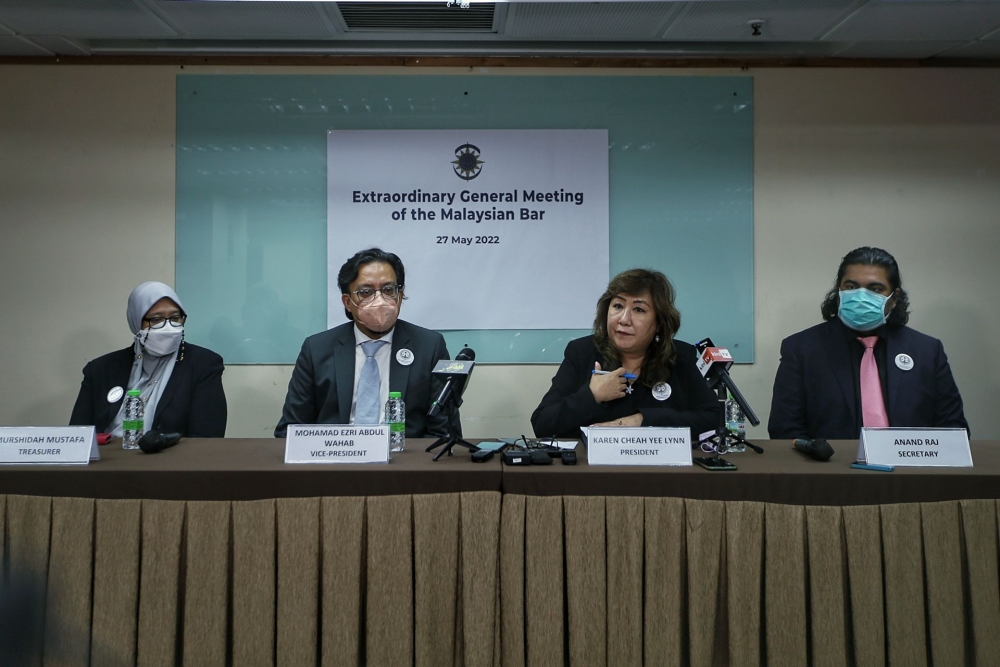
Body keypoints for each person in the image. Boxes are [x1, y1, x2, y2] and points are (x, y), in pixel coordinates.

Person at [768, 246, 968, 440]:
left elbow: (954, 428)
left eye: (875, 289)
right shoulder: (801, 349)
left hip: (910, 470)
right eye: (851, 287)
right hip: (830, 470)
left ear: (894, 298)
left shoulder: (927, 351)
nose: (861, 297)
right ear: (839, 291)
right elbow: (784, 429)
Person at [275, 247, 452, 438]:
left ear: (400, 296)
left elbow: (443, 432)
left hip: (402, 460)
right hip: (336, 458)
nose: (379, 300)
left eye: (388, 290)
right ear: (347, 302)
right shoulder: (316, 349)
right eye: (366, 292)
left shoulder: (429, 346)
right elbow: (291, 430)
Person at [531, 268, 721, 440]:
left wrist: (640, 421)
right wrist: (591, 396)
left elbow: (714, 419)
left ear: (659, 323)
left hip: (661, 474)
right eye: (618, 306)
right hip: (594, 474)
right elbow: (542, 425)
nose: (623, 319)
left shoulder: (680, 357)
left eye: (638, 309)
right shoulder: (582, 353)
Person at [70, 281, 227, 437]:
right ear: (137, 322)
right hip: (107, 459)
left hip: (170, 460)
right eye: (156, 319)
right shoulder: (101, 369)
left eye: (175, 318)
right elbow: (76, 437)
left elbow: (207, 438)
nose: (168, 327)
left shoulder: (203, 364)